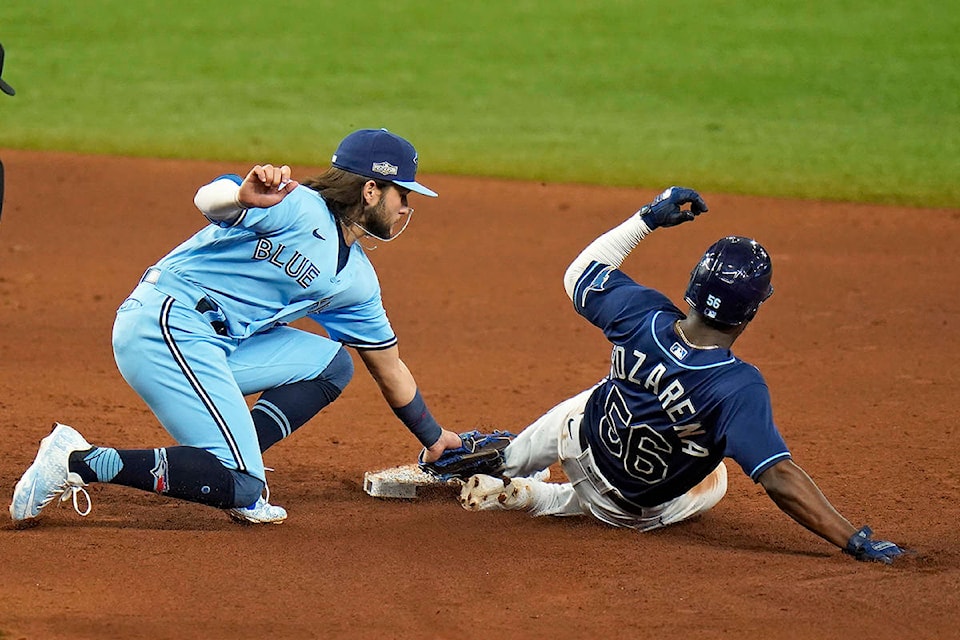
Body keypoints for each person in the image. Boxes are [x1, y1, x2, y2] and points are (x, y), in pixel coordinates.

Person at [9, 128, 462, 526]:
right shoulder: (295, 205)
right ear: (370, 191)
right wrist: (241, 197)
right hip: (166, 324)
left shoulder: (357, 281)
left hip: (218, 346)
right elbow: (208, 197)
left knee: (331, 366)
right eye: (403, 194)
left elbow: (390, 367)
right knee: (245, 486)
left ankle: (230, 459)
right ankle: (77, 460)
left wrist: (435, 439)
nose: (407, 207)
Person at [458, 186, 906, 564]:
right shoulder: (737, 388)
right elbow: (778, 477)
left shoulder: (643, 315)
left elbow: (581, 273)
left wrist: (647, 219)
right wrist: (854, 539)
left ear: (693, 284)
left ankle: (507, 462)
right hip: (625, 510)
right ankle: (541, 498)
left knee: (599, 395)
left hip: (580, 441)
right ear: (752, 310)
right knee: (717, 477)